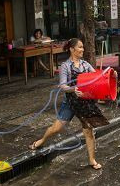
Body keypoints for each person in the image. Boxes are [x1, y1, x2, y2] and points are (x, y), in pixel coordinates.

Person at [29, 38, 114, 170]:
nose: (82, 49)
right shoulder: (65, 66)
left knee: (88, 132)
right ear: (72, 49)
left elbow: (97, 78)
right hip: (70, 102)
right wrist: (74, 89)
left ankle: (92, 160)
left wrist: (108, 75)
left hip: (85, 103)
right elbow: (62, 86)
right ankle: (41, 140)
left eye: (82, 47)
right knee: (56, 128)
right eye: (80, 47)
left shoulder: (86, 65)